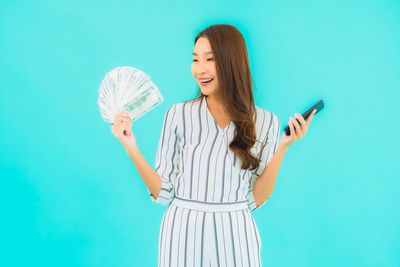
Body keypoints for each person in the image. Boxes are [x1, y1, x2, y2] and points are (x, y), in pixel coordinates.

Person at [111, 24, 316, 267]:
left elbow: (255, 199)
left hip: (236, 232)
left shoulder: (266, 121)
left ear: (232, 63)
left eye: (210, 59)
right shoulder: (178, 115)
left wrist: (284, 147)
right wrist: (130, 147)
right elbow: (164, 192)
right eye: (195, 59)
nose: (200, 69)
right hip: (183, 232)